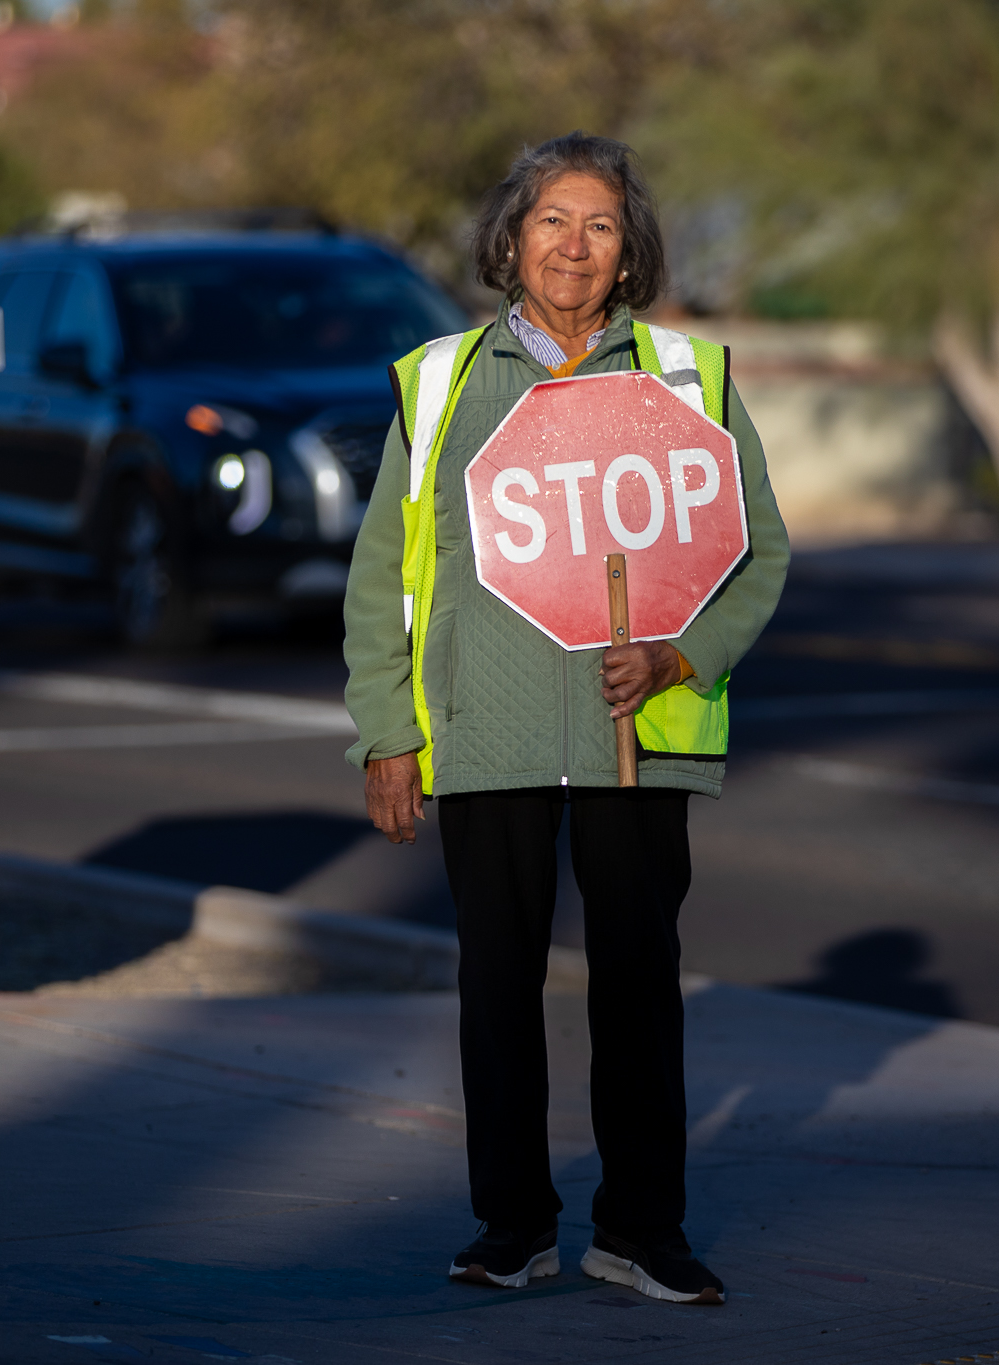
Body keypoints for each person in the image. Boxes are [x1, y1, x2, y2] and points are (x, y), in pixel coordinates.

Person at [341, 132, 788, 1307]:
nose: (574, 246)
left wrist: (682, 655)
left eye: (599, 225)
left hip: (635, 738)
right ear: (510, 238)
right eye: (552, 221)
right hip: (482, 733)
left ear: (629, 247)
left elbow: (759, 553)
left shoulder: (689, 377)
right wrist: (387, 732)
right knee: (496, 986)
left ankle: (640, 1230)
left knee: (637, 984)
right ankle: (511, 1227)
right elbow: (383, 573)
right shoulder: (438, 383)